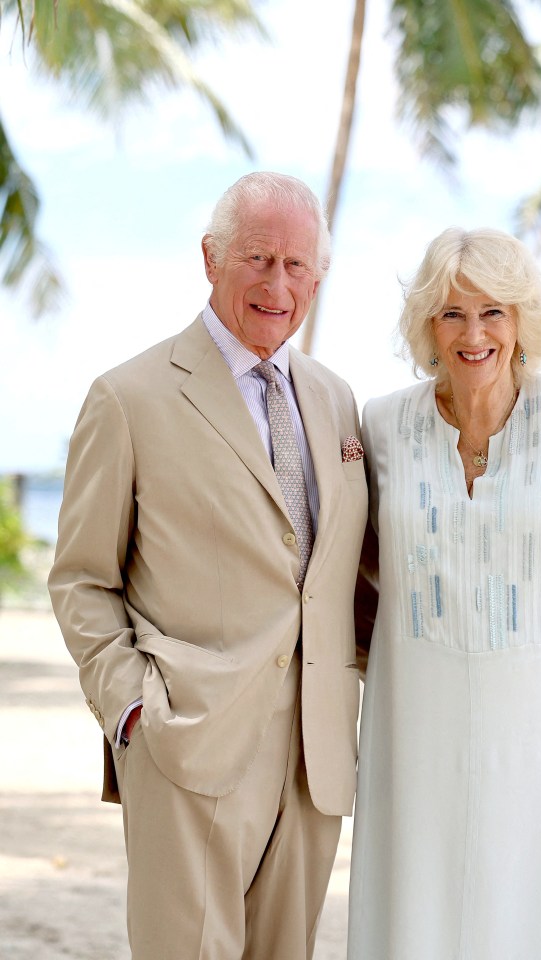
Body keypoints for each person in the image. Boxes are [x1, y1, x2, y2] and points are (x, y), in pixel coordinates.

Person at [48, 171, 371, 960]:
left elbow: (348, 575)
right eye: (257, 258)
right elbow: (82, 579)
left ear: (319, 278)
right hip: (187, 741)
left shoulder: (336, 400)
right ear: (210, 258)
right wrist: (131, 711)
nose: (277, 283)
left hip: (315, 755)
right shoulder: (129, 397)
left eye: (298, 266)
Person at [347, 227, 541, 960]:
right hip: (414, 723)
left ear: (521, 323)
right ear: (427, 327)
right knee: (417, 906)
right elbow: (350, 569)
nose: (473, 334)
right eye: (451, 314)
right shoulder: (382, 424)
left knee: (540, 911)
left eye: (493, 313)